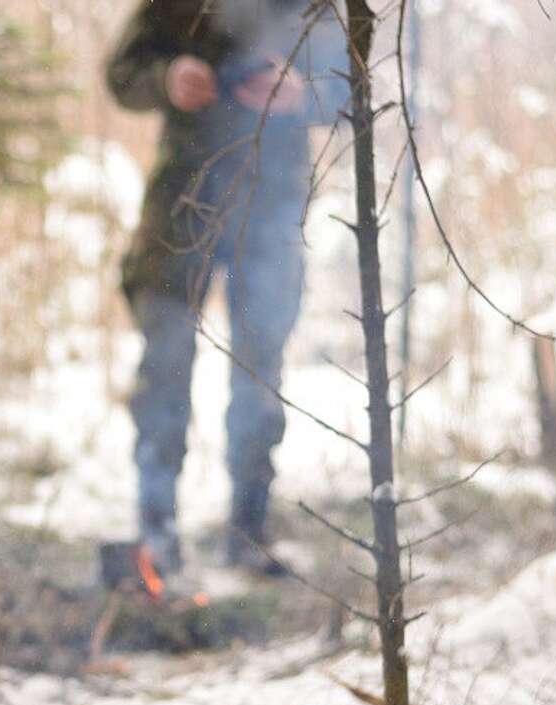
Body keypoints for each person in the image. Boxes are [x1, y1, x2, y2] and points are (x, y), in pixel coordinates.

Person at [108, 0, 349, 576]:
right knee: (164, 371)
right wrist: (167, 79)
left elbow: (354, 88)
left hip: (269, 210)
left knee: (259, 376)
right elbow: (122, 74)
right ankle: (156, 534)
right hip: (178, 210)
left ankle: (249, 532)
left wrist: (302, 92)